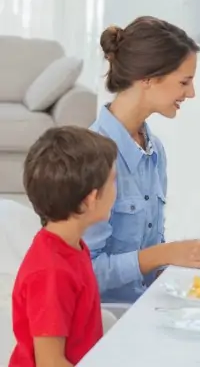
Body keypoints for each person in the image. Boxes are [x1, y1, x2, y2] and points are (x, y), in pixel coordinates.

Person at [84, 16, 200, 304]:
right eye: (184, 81)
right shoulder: (91, 157)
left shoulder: (153, 150)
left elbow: (148, 256)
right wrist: (165, 254)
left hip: (146, 306)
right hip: (106, 323)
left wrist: (185, 265)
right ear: (147, 78)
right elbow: (85, 274)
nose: (191, 93)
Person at [10, 126, 118, 367]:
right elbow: (50, 362)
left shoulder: (72, 246)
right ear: (91, 199)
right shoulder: (52, 272)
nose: (117, 192)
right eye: (113, 182)